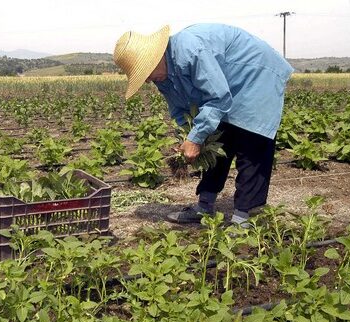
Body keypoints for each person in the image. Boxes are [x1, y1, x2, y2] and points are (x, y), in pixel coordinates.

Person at [113, 24, 293, 226]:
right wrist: (189, 136)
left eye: (145, 73)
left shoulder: (190, 51)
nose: (146, 81)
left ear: (155, 58)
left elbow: (218, 98)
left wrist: (195, 138)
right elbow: (181, 109)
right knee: (214, 139)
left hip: (256, 74)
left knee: (252, 142)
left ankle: (245, 218)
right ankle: (204, 206)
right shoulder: (161, 76)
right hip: (225, 85)